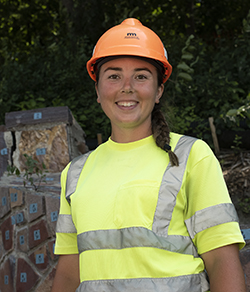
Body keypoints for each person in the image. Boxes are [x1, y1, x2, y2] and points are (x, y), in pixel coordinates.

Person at [51, 18, 246, 292]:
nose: (127, 87)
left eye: (141, 76)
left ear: (158, 91)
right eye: (114, 75)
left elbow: (222, 261)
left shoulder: (191, 156)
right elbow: (70, 273)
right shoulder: (75, 173)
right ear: (97, 90)